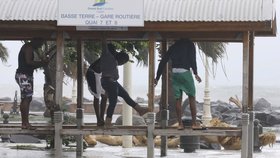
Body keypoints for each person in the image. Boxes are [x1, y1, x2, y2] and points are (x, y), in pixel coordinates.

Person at [154, 38, 203, 130]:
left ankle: (180, 124)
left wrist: (157, 77)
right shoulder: (190, 44)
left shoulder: (173, 47)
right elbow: (193, 59)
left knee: (178, 99)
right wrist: (195, 73)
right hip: (185, 72)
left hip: (175, 73)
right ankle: (194, 124)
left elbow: (163, 61)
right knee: (192, 97)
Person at [100, 42, 149, 127]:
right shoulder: (108, 57)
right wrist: (104, 37)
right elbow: (104, 46)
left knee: (125, 95)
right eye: (122, 62)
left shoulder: (111, 59)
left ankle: (139, 109)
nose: (121, 63)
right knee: (113, 102)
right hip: (110, 81)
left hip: (111, 82)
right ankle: (108, 121)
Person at [15, 38, 49, 130]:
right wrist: (42, 63)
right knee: (26, 98)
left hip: (25, 75)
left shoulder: (29, 47)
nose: (41, 45)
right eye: (40, 42)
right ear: (36, 40)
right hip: (24, 75)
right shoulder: (28, 47)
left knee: (27, 98)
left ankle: (25, 123)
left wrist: (42, 62)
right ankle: (25, 123)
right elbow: (29, 62)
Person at [86, 58, 107, 126]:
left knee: (104, 96)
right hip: (93, 74)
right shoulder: (107, 58)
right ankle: (98, 119)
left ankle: (101, 118)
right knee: (97, 96)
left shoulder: (109, 58)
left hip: (98, 74)